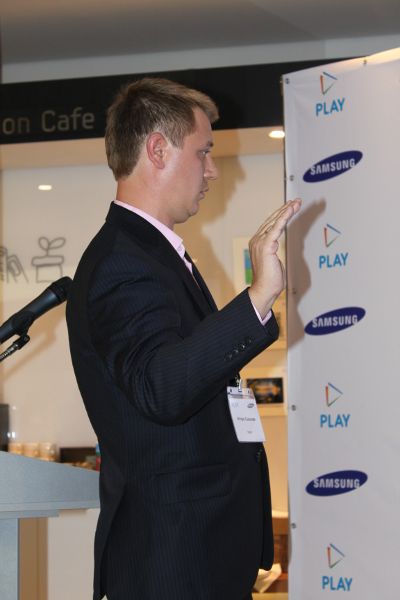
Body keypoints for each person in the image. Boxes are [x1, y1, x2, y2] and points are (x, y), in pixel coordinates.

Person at [66, 77, 301, 600]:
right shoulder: (122, 262)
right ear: (157, 150)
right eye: (203, 152)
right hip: (173, 559)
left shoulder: (151, 255)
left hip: (194, 550)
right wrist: (258, 296)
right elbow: (163, 387)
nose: (212, 170)